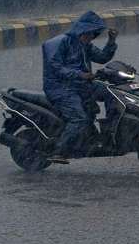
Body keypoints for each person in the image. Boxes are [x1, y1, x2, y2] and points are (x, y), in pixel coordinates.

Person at [42, 11, 118, 159]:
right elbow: (55, 67)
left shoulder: (86, 45)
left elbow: (102, 58)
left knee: (111, 92)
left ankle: (111, 131)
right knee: (79, 119)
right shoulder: (59, 42)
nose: (90, 36)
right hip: (61, 88)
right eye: (89, 33)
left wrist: (111, 41)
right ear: (81, 30)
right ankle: (59, 150)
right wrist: (79, 75)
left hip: (82, 84)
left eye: (93, 34)